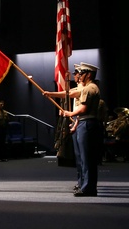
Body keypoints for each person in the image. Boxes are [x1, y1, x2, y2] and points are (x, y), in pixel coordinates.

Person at [42, 62, 102, 196]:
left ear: (89, 74)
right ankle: (83, 185)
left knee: (87, 158)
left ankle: (88, 188)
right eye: (78, 74)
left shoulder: (90, 88)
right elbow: (70, 94)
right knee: (81, 158)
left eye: (81, 74)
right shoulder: (85, 88)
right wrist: (51, 94)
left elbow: (83, 108)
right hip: (82, 122)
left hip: (87, 123)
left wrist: (70, 114)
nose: (79, 76)